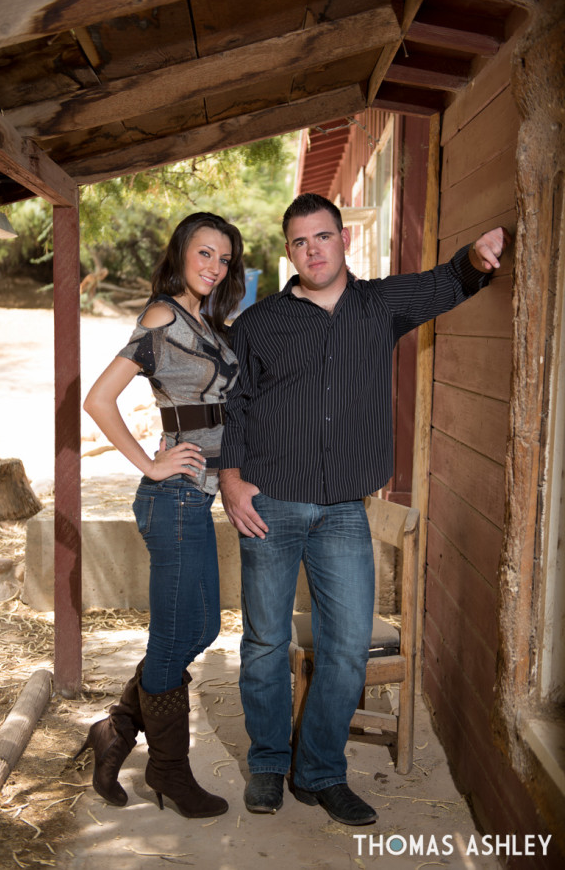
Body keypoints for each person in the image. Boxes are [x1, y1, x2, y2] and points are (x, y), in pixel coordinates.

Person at [219, 192, 510, 826]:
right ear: (289, 250)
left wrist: (478, 257)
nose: (312, 250)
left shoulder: (380, 304)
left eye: (322, 236)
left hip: (344, 511)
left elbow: (445, 283)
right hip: (270, 503)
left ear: (343, 239)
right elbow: (234, 406)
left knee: (348, 648)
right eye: (300, 242)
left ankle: (318, 771)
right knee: (265, 641)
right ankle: (268, 762)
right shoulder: (259, 323)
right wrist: (231, 481)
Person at [75, 211, 245, 818]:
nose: (214, 267)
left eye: (224, 258)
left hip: (198, 497)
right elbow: (98, 398)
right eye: (204, 253)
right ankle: (168, 770)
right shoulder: (162, 316)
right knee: (177, 637)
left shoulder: (207, 322)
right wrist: (150, 464)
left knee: (199, 630)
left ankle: (117, 729)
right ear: (180, 254)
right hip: (172, 497)